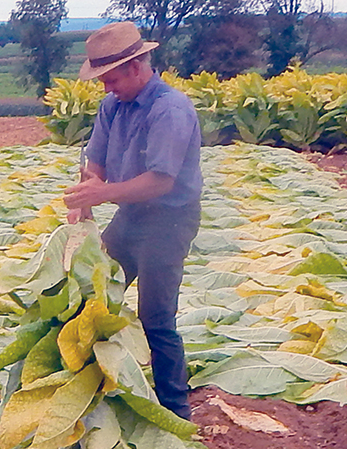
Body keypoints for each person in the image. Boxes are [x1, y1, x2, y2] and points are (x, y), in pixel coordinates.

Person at [62, 22, 202, 421]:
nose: (107, 87)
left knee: (155, 319)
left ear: (138, 68)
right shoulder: (112, 107)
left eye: (112, 79)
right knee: (91, 293)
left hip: (170, 221)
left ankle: (177, 413)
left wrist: (102, 193)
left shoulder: (170, 110)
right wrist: (84, 200)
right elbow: (96, 162)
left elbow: (161, 181)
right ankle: (95, 395)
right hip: (131, 216)